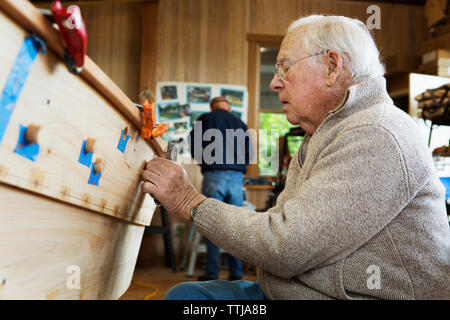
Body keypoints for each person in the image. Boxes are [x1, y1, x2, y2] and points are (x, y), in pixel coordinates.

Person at [140, 15, 450, 300]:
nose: (274, 83)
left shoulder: (376, 132)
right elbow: (277, 217)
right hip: (288, 288)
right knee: (188, 297)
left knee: (188, 299)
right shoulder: (321, 132)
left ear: (332, 66)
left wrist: (187, 201)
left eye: (285, 68)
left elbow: (284, 247)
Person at [188, 96, 253, 282]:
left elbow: (194, 146)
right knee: (235, 226)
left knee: (211, 224)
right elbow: (248, 153)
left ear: (212, 107)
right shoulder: (240, 123)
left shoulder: (205, 118)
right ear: (229, 108)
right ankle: (236, 273)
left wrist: (203, 162)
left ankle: (212, 272)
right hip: (235, 178)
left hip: (213, 175)